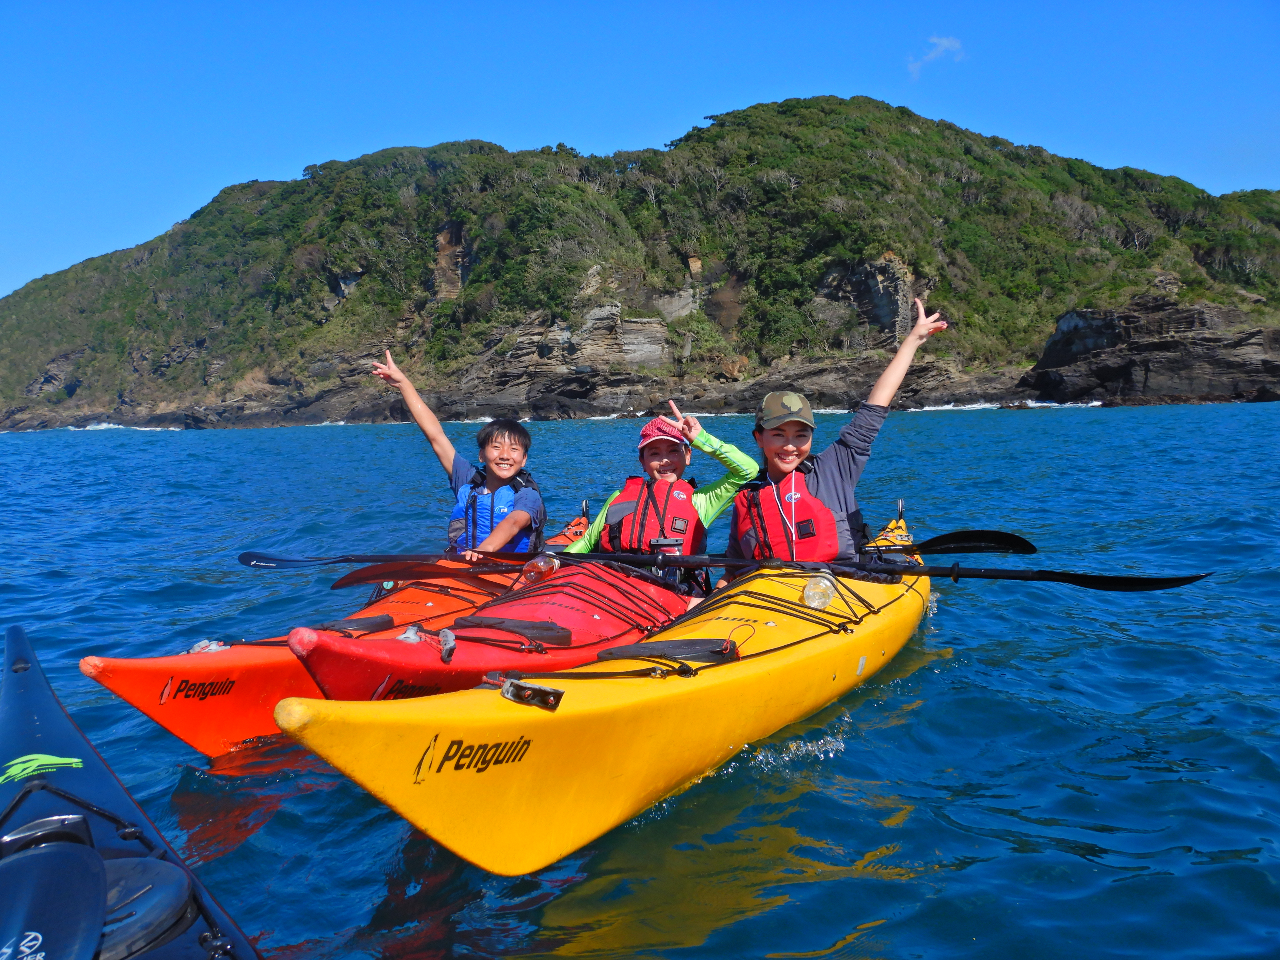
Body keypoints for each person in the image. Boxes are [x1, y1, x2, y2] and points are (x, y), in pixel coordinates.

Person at [725, 298, 948, 568]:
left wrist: (912, 341)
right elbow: (733, 567)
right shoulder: (747, 498)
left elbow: (874, 408)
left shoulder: (834, 468)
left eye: (801, 435)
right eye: (779, 434)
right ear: (759, 438)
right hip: (773, 590)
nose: (790, 446)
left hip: (842, 586)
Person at [373, 351, 546, 558]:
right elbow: (436, 436)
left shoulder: (527, 493)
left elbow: (514, 521)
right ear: (481, 455)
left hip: (512, 569)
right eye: (496, 447)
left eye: (514, 449)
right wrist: (403, 383)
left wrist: (484, 550)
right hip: (464, 565)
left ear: (524, 459)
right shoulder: (467, 480)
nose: (505, 455)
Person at [564, 401, 757, 567]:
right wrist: (555, 562)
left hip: (674, 591)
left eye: (673, 451)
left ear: (688, 455)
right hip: (618, 586)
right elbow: (587, 542)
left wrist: (701, 439)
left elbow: (748, 471)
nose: (665, 461)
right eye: (654, 453)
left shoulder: (702, 501)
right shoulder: (618, 497)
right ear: (642, 462)